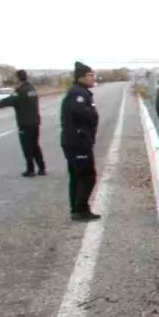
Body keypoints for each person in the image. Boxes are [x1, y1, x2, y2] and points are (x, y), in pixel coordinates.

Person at [60, 61, 100, 222]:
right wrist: (91, 112)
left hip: (75, 141)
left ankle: (76, 209)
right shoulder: (77, 94)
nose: (93, 78)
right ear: (81, 77)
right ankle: (81, 209)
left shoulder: (81, 92)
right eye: (90, 76)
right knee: (87, 175)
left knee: (77, 176)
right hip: (78, 142)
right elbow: (81, 113)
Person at [0, 69, 46, 177]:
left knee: (27, 147)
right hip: (35, 122)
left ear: (18, 78)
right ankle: (42, 168)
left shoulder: (21, 91)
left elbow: (9, 100)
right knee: (35, 146)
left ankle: (30, 170)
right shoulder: (32, 89)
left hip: (25, 123)